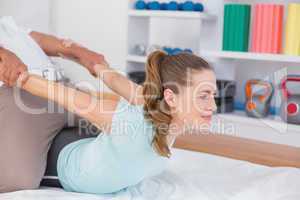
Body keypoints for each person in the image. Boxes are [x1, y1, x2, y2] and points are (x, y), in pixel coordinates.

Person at [15, 50, 217, 194]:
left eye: (213, 95)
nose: (213, 106)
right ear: (171, 98)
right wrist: (20, 77)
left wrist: (96, 66)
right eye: (203, 96)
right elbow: (66, 95)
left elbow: (118, 83)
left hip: (90, 144)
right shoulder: (131, 125)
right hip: (60, 161)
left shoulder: (160, 108)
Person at [0, 17, 108, 192]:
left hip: (62, 86)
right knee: (18, 182)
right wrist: (3, 54)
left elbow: (38, 40)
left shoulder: (6, 25)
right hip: (21, 95)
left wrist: (79, 51)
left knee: (124, 134)